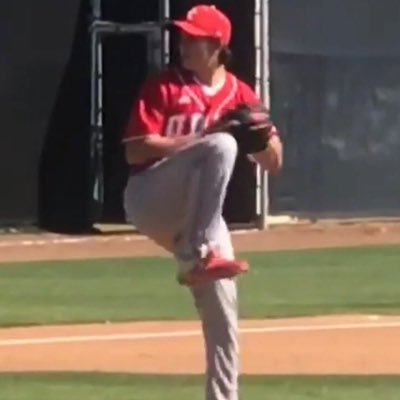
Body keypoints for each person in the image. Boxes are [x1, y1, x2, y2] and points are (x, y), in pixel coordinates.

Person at [122, 4, 283, 400]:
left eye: (193, 38)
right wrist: (209, 136)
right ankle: (196, 253)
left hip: (201, 215)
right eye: (183, 36)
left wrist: (258, 139)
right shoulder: (164, 85)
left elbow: (274, 162)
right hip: (151, 196)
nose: (183, 44)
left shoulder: (241, 93)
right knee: (221, 143)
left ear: (217, 46)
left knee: (223, 308)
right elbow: (135, 151)